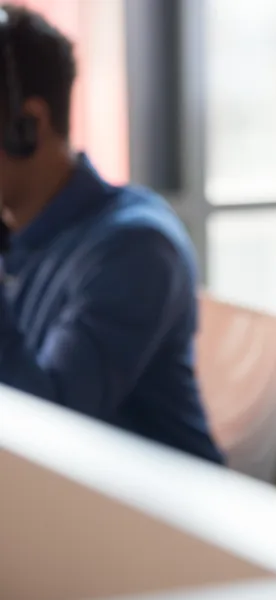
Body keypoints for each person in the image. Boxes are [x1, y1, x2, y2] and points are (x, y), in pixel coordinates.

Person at [0, 5, 222, 463]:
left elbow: (45, 439)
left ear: (28, 125)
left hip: (151, 523)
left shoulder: (135, 249)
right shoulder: (17, 232)